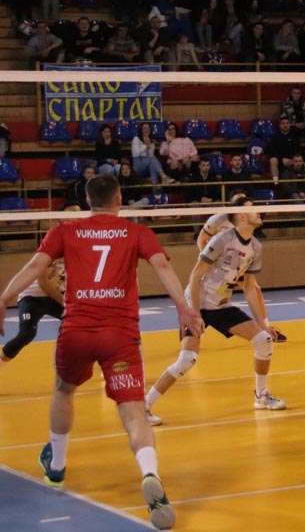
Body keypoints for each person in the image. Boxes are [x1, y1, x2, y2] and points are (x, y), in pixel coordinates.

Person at [0, 174, 202, 529]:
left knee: (64, 390)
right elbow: (163, 267)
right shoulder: (137, 232)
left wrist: (4, 299)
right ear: (119, 199)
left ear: (88, 201)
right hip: (119, 335)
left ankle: (57, 466)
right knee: (133, 411)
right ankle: (150, 473)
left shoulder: (64, 231)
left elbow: (35, 267)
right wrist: (185, 309)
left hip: (76, 331)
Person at [145, 196, 286, 426]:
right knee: (187, 360)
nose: (260, 211)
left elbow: (250, 288)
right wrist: (195, 314)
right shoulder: (222, 239)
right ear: (242, 216)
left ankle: (261, 397)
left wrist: (264, 325)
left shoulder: (256, 247)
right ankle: (144, 406)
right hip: (197, 303)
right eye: (254, 209)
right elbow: (195, 276)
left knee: (264, 340)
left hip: (221, 305)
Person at [0, 259, 65, 370]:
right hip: (31, 297)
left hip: (52, 298)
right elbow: (43, 283)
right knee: (26, 334)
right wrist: (65, 302)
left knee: (78, 321)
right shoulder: (54, 255)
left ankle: (65, 357)